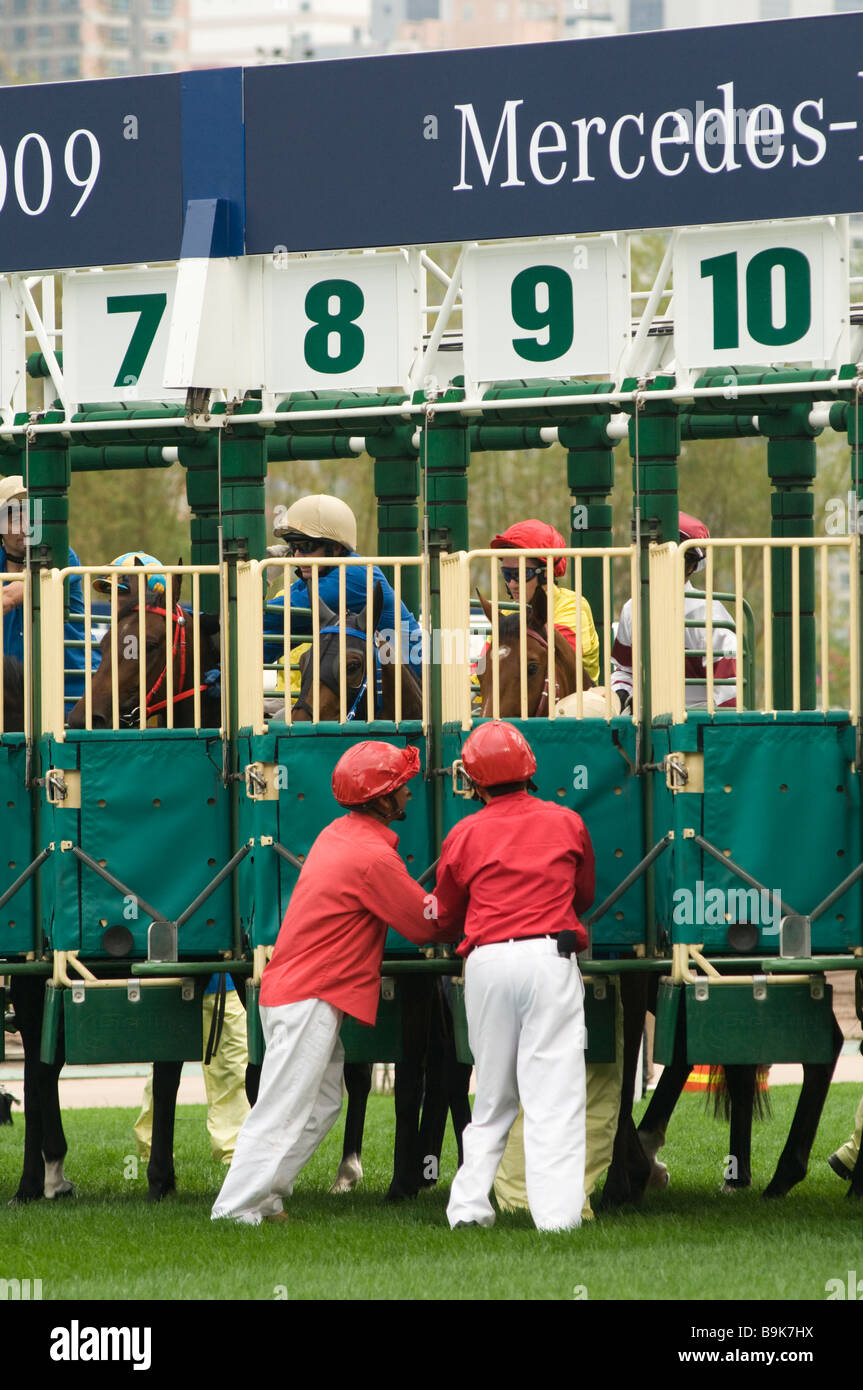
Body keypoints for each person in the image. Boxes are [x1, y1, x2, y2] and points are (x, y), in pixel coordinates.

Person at [211, 741, 438, 1225]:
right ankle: (234, 1209)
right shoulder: (371, 855)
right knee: (283, 1109)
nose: (408, 794)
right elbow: (425, 925)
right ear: (381, 800)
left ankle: (265, 1197)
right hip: (308, 996)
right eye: (400, 788)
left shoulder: (340, 834)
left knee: (322, 1103)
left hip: (300, 993)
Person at [431, 720, 595, 1232]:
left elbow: (446, 914)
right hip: (550, 957)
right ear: (530, 769)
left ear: (474, 781)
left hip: (487, 963)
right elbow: (582, 897)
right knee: (555, 1096)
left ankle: (467, 1210)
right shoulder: (567, 821)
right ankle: (558, 1219)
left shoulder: (463, 832)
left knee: (493, 1096)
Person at [263, 494, 424, 702]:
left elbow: (270, 617)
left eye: (307, 547)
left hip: (412, 699)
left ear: (336, 548)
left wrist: (261, 577)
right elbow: (270, 639)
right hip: (372, 694)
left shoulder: (352, 574)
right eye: (294, 548)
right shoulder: (312, 581)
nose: (296, 557)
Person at [611, 511, 738, 711]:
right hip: (643, 724)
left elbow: (731, 687)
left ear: (693, 565)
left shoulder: (708, 613)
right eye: (657, 552)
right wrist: (621, 695)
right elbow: (625, 672)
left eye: (682, 557)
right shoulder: (632, 608)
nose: (667, 562)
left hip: (695, 727)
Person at [0, 475, 97, 714]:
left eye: (31, 514)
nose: (25, 524)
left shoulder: (61, 553)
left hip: (73, 693)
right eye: (13, 515)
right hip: (14, 699)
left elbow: (13, 595)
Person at [489, 519, 600, 684]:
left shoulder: (572, 606)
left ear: (546, 572)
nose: (512, 583)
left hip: (573, 707)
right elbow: (485, 667)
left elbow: (550, 663)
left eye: (519, 573)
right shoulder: (506, 613)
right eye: (507, 574)